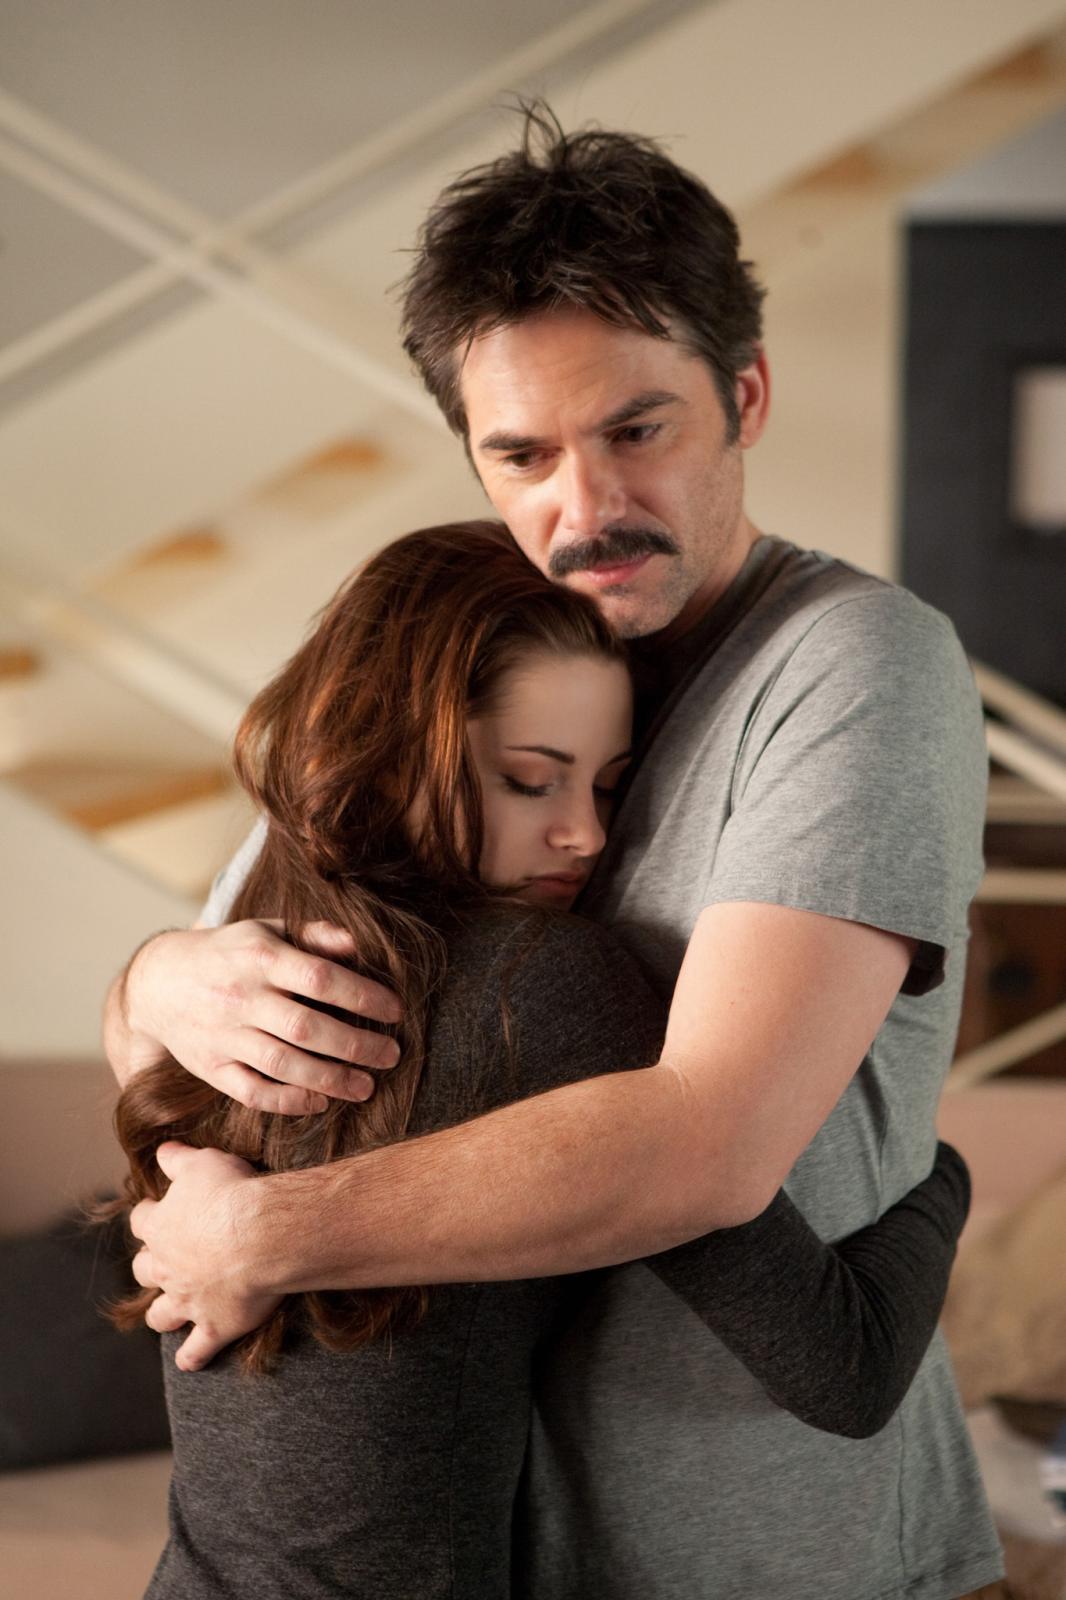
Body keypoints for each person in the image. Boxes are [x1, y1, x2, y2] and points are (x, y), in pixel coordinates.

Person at [107, 110, 1004, 1598]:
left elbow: (707, 1144)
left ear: (743, 395)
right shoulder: (463, 657)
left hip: (765, 1555)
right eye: (520, 453)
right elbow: (199, 1023)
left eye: (635, 432)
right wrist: (157, 974)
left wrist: (266, 1234)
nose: (582, 511)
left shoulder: (853, 661)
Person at [110, 519, 971, 1599]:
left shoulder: (241, 956)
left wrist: (142, 973)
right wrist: (943, 1173)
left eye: (608, 787)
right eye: (530, 781)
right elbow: (845, 1367)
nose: (585, 837)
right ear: (394, 753)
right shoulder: (542, 984)